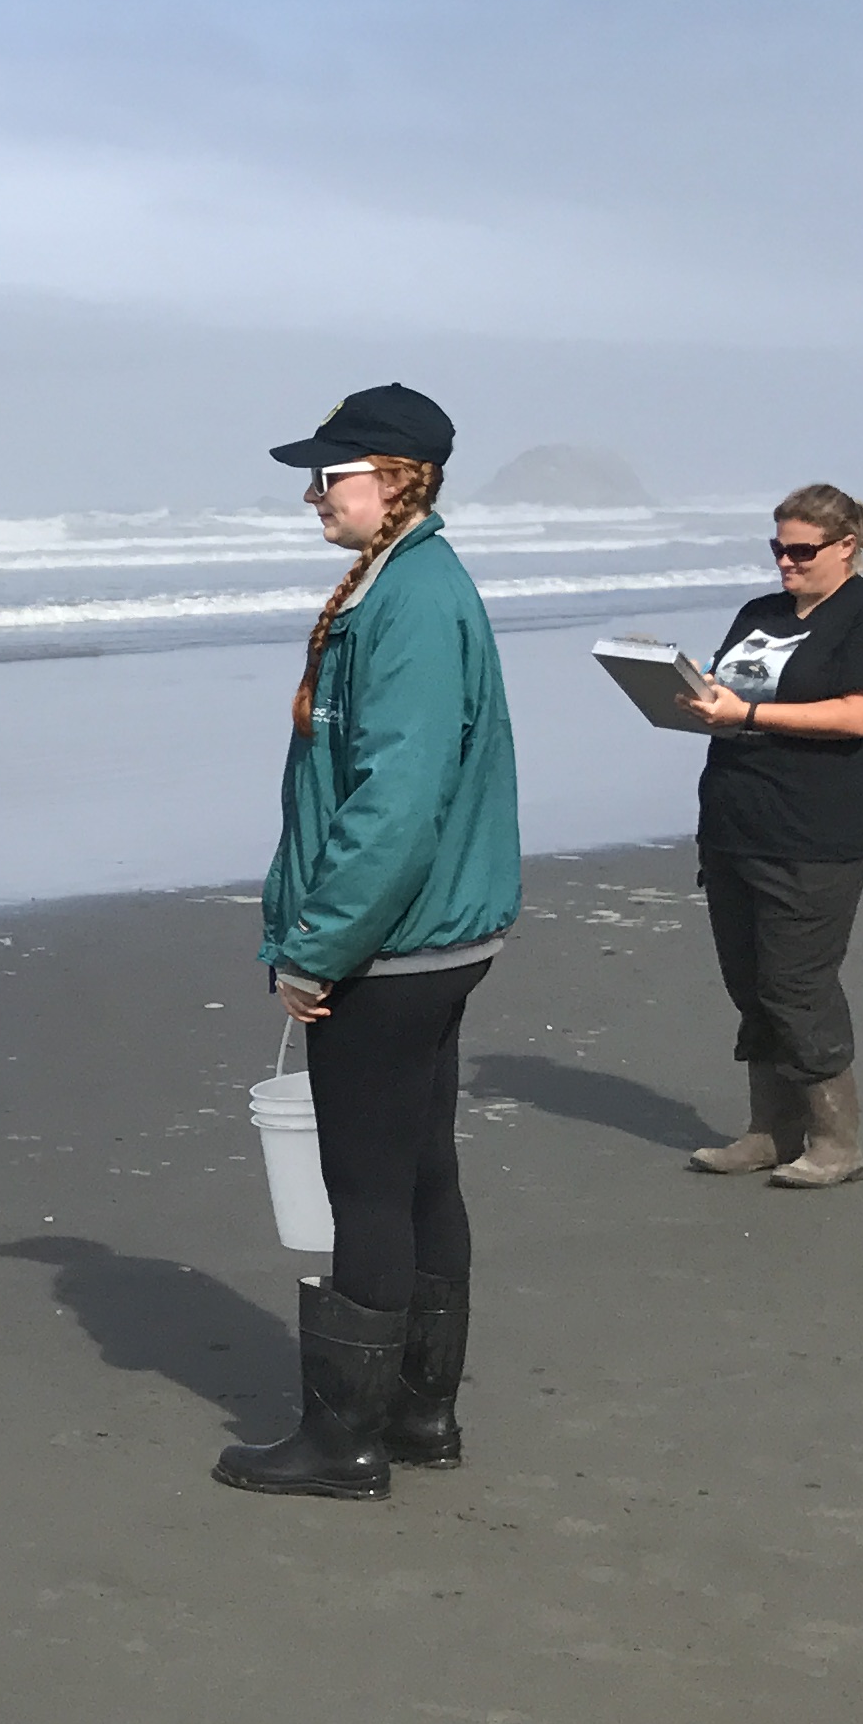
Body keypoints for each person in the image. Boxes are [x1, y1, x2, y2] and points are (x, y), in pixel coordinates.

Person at [218, 384, 522, 1503]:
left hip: (396, 948)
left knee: (370, 1186)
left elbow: (394, 807)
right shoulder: (404, 587)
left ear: (396, 478)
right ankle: (421, 1415)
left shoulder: (410, 602)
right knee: (422, 1167)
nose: (312, 495)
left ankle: (345, 1443)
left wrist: (315, 950)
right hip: (434, 938)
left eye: (330, 475)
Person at [678, 486, 863, 1191]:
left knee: (796, 984)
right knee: (749, 981)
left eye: (802, 550)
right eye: (778, 547)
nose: (786, 561)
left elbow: (857, 717)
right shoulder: (760, 614)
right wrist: (689, 695)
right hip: (733, 822)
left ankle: (836, 1139)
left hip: (815, 830)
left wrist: (747, 709)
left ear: (848, 546)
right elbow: (725, 693)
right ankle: (769, 1131)